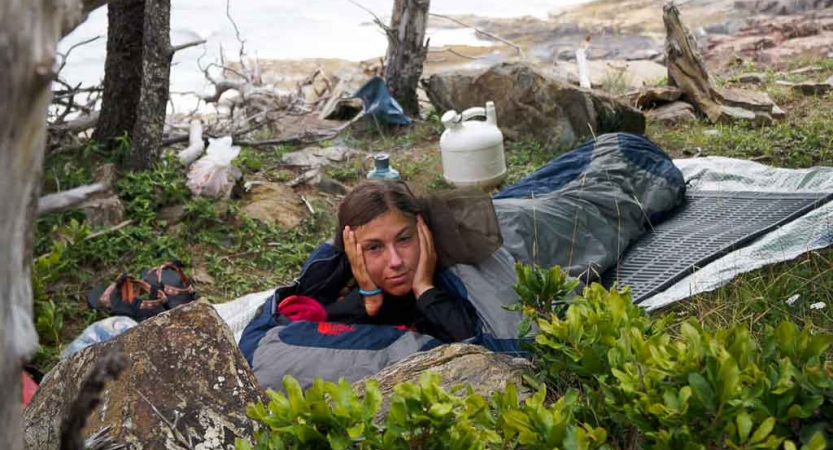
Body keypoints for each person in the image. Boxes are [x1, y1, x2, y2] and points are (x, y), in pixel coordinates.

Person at [323, 180, 477, 342]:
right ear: (352, 252)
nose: (395, 261)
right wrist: (370, 301)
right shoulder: (337, 287)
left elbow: (476, 341)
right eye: (374, 247)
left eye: (404, 239)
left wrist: (424, 289)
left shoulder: (454, 277)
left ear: (424, 233)